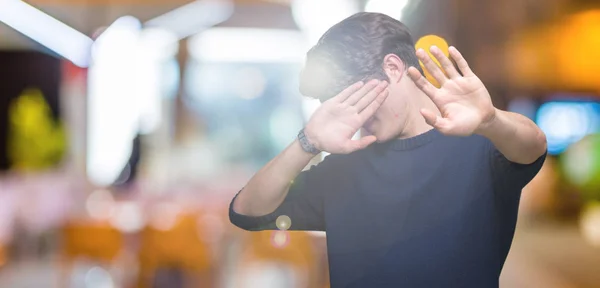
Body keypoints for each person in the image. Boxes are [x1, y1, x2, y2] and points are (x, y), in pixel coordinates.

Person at [229, 12, 547, 288]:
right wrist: (307, 141)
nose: (355, 117)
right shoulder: (343, 169)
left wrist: (491, 120)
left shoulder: (482, 145)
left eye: (358, 100)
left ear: (393, 68)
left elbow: (533, 145)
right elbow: (247, 211)